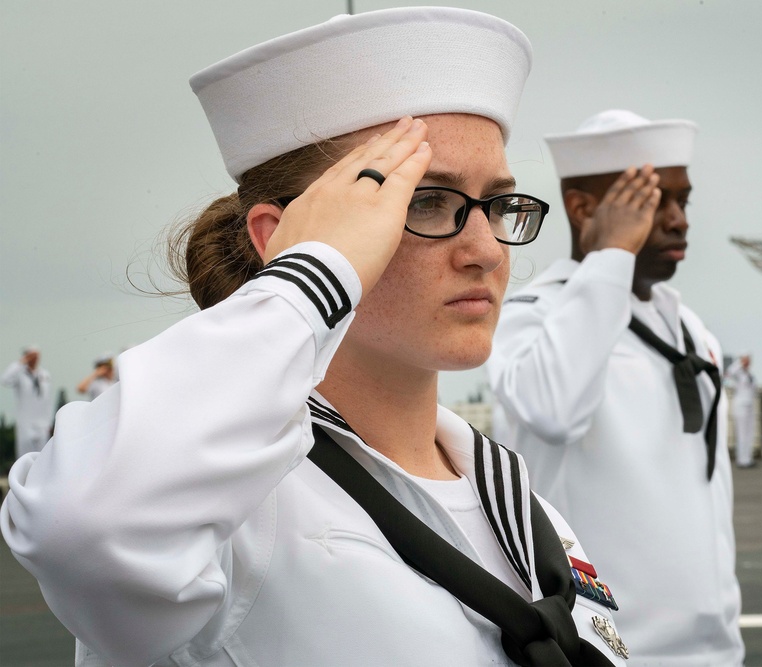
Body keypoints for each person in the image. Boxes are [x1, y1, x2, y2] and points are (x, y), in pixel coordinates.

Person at [0, 9, 627, 666]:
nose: (486, 250)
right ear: (288, 238)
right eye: (424, 201)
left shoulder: (529, 515)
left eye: (498, 204)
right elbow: (83, 527)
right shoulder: (238, 513)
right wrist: (310, 279)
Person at [489, 110, 744, 665]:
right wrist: (610, 256)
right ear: (584, 210)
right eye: (652, 203)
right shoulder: (535, 317)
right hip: (605, 649)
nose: (678, 221)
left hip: (712, 647)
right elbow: (552, 409)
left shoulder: (688, 326)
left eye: (683, 202)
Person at [1, 346, 54, 459]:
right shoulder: (19, 374)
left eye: (36, 356)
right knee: (25, 456)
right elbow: (5, 380)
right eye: (31, 356)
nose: (34, 359)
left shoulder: (44, 374)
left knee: (43, 456)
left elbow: (47, 400)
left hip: (42, 423)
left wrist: (49, 421)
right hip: (25, 422)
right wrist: (20, 363)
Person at [725, 354, 757, 468]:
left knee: (749, 433)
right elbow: (729, 371)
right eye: (746, 361)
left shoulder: (749, 375)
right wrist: (740, 362)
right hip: (740, 405)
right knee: (741, 433)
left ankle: (747, 458)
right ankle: (742, 460)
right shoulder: (738, 373)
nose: (748, 363)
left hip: (749, 405)